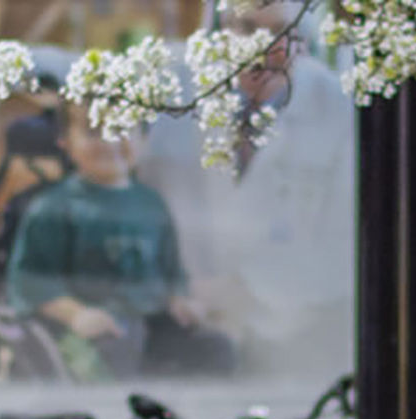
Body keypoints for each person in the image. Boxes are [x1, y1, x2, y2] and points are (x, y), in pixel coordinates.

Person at [134, 1, 355, 378]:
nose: (271, 49)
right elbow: (67, 71)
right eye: (251, 28)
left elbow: (348, 246)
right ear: (219, 32)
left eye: (287, 33)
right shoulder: (170, 82)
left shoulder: (337, 107)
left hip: (295, 341)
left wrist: (246, 291)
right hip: (179, 331)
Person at [4, 106, 237, 380]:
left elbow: (171, 272)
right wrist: (77, 315)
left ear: (144, 140)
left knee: (217, 349)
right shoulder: (54, 208)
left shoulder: (152, 203)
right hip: (88, 333)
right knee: (120, 348)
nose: (109, 141)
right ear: (65, 143)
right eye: (94, 132)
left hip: (152, 324)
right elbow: (32, 282)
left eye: (122, 130)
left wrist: (180, 302)